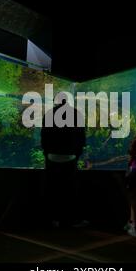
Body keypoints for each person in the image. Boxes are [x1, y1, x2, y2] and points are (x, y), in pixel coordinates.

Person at [41, 98, 87, 228]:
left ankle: (52, 219)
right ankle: (70, 220)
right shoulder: (75, 113)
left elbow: (44, 135)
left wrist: (46, 153)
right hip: (70, 157)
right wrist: (77, 154)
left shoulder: (49, 113)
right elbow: (81, 136)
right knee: (70, 190)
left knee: (52, 189)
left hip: (52, 157)